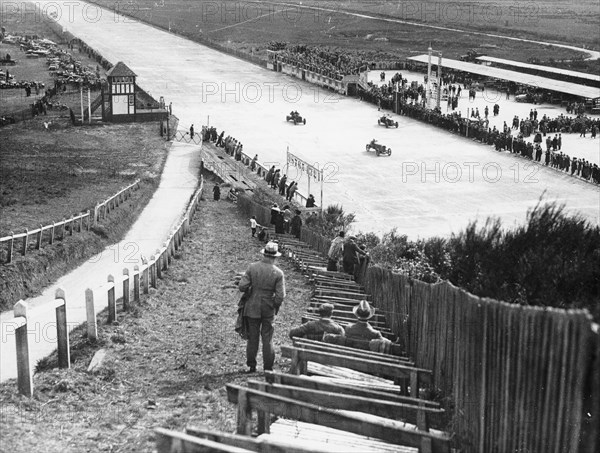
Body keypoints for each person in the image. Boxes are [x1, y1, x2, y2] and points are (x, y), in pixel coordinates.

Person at [238, 242, 286, 373]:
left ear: (264, 254)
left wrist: (251, 289)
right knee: (267, 338)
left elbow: (242, 286)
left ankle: (252, 365)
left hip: (252, 307)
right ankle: (268, 367)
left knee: (252, 338)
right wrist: (274, 306)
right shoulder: (278, 273)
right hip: (267, 309)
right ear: (275, 257)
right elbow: (280, 296)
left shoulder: (252, 267)